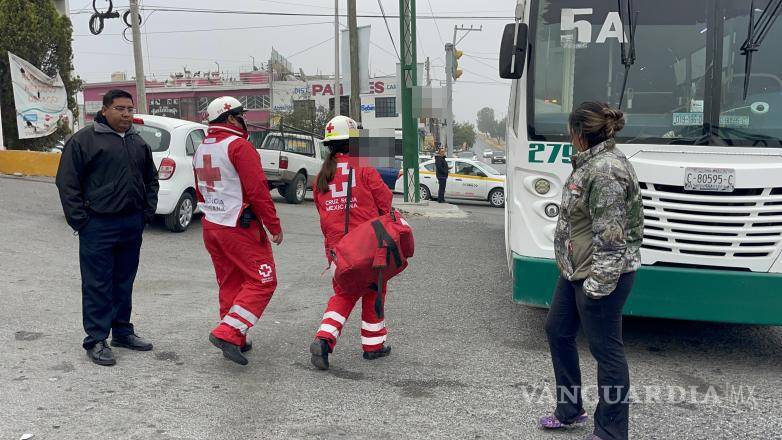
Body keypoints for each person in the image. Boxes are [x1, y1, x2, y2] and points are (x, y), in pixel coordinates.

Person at [537, 102, 643, 440]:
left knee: (606, 351)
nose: (569, 136)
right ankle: (571, 409)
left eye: (570, 130)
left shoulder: (606, 171)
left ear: (579, 133)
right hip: (575, 271)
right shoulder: (589, 164)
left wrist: (597, 288)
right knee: (558, 331)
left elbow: (611, 238)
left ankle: (611, 431)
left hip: (601, 275)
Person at [55, 89, 159, 366]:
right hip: (98, 225)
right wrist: (82, 221)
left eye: (129, 109)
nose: (126, 114)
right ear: (104, 110)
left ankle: (122, 332)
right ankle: (96, 339)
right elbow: (67, 184)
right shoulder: (83, 141)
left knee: (123, 281)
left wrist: (145, 213)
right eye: (120, 109)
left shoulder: (138, 142)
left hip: (131, 224)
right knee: (97, 283)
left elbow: (151, 179)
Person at [194, 96, 283, 366]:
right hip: (238, 226)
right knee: (263, 281)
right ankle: (229, 332)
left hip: (212, 225)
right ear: (231, 118)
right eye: (241, 115)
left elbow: (199, 188)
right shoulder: (239, 147)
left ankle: (237, 336)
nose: (245, 119)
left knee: (231, 281)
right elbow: (257, 191)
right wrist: (273, 226)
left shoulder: (203, 147)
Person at [309, 115, 394, 370]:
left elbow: (323, 216)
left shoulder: (321, 177)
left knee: (344, 294)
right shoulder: (364, 167)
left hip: (338, 252)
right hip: (367, 247)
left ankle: (324, 339)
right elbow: (385, 203)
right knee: (374, 291)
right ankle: (373, 345)